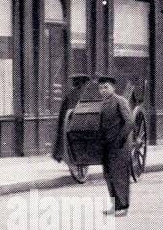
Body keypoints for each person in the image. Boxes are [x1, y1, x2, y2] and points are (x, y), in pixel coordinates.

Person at [96, 75, 133, 217]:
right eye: (100, 88)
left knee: (119, 176)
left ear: (113, 88)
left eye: (106, 87)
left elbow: (129, 122)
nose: (103, 90)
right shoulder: (103, 103)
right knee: (109, 175)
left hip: (119, 146)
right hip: (107, 145)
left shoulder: (120, 101)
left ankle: (123, 206)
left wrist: (119, 140)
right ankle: (115, 206)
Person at [51, 74, 91, 164]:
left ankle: (62, 154)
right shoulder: (85, 93)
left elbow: (64, 110)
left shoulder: (70, 93)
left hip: (70, 121)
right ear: (84, 83)